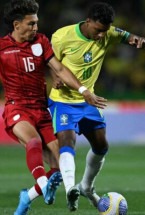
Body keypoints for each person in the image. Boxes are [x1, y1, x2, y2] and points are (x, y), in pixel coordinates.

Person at [0, 0, 107, 214]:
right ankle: (41, 182)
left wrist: (84, 90)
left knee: (60, 168)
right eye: (31, 24)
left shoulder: (41, 42)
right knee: (34, 141)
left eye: (36, 23)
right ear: (16, 24)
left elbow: (59, 68)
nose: (36, 28)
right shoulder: (2, 47)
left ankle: (27, 196)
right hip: (17, 107)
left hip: (43, 108)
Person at [48, 1, 145, 212]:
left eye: (105, 31)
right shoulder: (62, 36)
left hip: (88, 101)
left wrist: (141, 41)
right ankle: (70, 188)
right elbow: (51, 62)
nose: (102, 35)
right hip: (63, 100)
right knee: (67, 140)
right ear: (88, 21)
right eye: (98, 30)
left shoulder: (109, 32)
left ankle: (86, 186)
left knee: (102, 146)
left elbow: (129, 37)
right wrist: (55, 77)